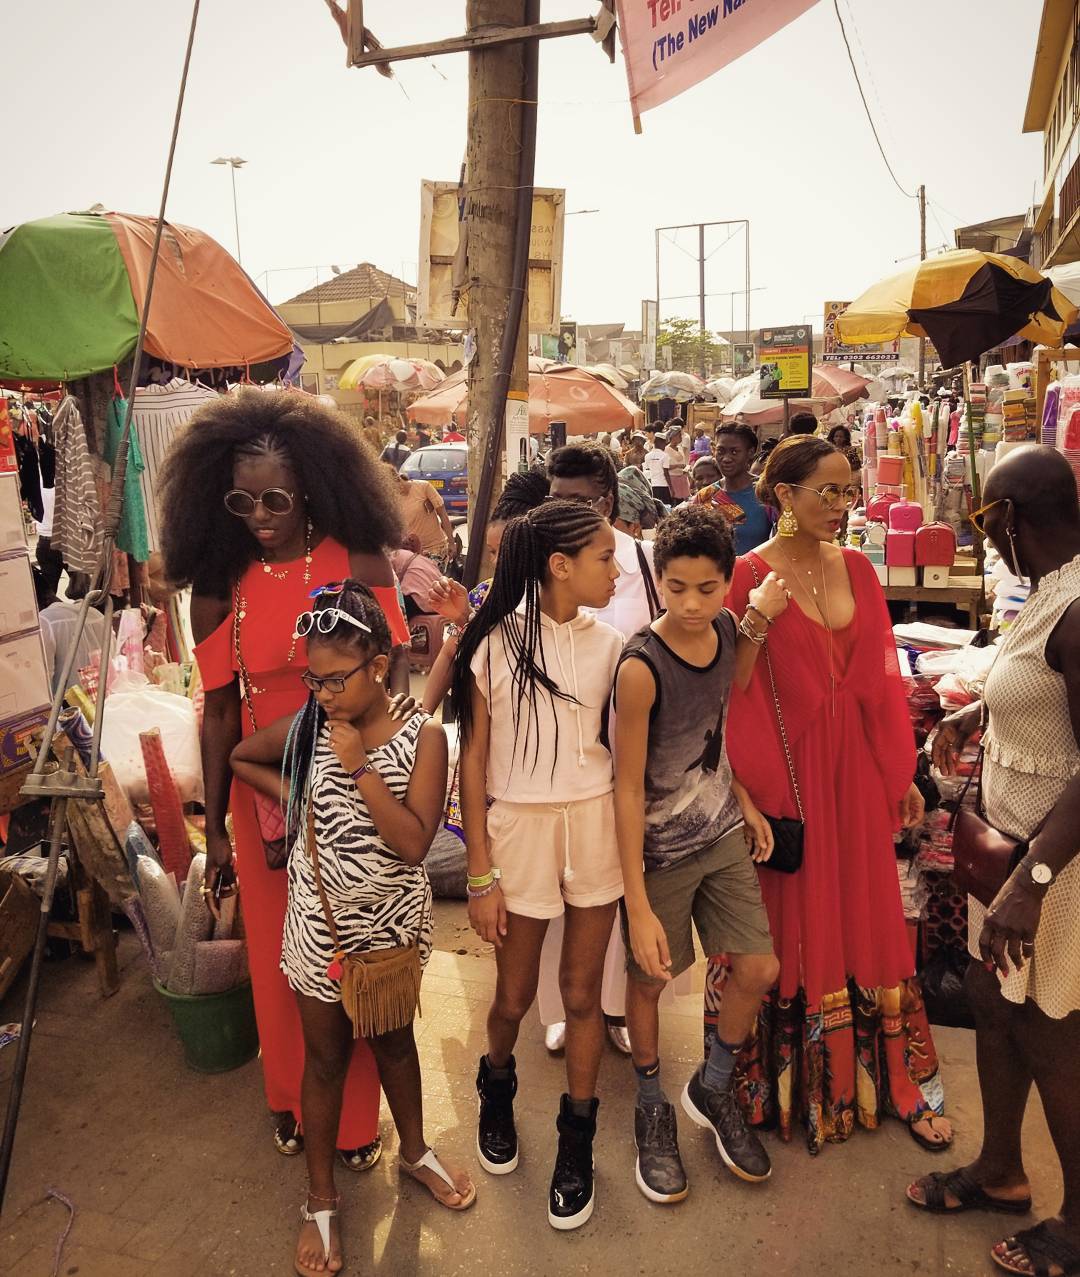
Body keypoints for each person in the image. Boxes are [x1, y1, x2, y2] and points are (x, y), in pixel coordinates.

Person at [159, 389, 411, 1170]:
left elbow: (394, 667)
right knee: (281, 959)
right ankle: (293, 1099)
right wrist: (217, 831)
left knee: (352, 951)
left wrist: (375, 762)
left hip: (351, 778)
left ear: (313, 488)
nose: (259, 514)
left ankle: (357, 1121)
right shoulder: (216, 584)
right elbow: (218, 712)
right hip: (267, 796)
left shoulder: (358, 559)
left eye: (276, 497)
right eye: (241, 498)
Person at [706, 435, 953, 1155]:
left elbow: (881, 682)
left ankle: (889, 1079)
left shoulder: (857, 568)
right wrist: (756, 614)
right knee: (789, 925)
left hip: (853, 773)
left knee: (864, 912)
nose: (844, 507)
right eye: (830, 492)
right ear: (784, 494)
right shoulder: (748, 573)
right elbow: (731, 689)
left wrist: (899, 770)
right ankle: (778, 1086)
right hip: (787, 779)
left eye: (850, 491)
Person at [230, 582, 474, 1276]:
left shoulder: (422, 737)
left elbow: (414, 843)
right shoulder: (309, 725)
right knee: (326, 1060)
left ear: (377, 663)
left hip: (392, 935)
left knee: (397, 1045)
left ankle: (417, 1149)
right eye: (314, 677)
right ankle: (321, 1197)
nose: (324, 692)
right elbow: (241, 757)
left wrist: (357, 767)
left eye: (336, 679)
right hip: (320, 936)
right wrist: (301, 791)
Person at [906, 446, 1080, 1277]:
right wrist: (977, 707)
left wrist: (1034, 883)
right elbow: (1038, 688)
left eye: (984, 517)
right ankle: (1001, 1169)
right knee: (990, 996)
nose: (985, 532)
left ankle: (1079, 1223)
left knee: (1054, 1032)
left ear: (1010, 518)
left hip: (1056, 866)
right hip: (1009, 851)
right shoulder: (1048, 590)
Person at [452, 500, 624, 1230]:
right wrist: (480, 874)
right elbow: (473, 761)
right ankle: (497, 1081)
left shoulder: (616, 645)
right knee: (515, 996)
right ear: (560, 565)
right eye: (605, 559)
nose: (617, 571)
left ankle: (576, 1139)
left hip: (595, 824)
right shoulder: (494, 644)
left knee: (582, 993)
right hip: (517, 828)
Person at [614, 506, 788, 1202]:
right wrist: (636, 903)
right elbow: (626, 790)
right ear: (659, 581)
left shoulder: (720, 628)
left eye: (708, 588)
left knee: (758, 966)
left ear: (726, 586)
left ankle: (712, 1086)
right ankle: (651, 1103)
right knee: (651, 980)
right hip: (658, 854)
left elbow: (723, 701)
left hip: (719, 834)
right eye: (677, 587)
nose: (691, 603)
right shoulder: (640, 667)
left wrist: (741, 798)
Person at [544, 443, 664, 1055]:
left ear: (608, 501)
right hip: (563, 759)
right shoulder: (540, 565)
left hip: (635, 755)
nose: (567, 512)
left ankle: (618, 1011)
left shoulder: (644, 563)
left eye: (581, 502)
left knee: (624, 883)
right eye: (556, 501)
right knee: (565, 892)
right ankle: (571, 1006)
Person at [421, 469, 551, 715]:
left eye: (506, 548)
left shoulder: (554, 597)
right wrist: (422, 721)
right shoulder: (484, 594)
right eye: (492, 551)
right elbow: (450, 654)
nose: (497, 560)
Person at [706, 424, 774, 555]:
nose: (726, 459)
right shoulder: (705, 496)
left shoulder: (767, 493)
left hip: (759, 573)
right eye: (720, 451)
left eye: (734, 452)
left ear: (750, 452)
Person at [396, 467, 456, 566]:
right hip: (412, 554)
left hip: (435, 549)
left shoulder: (423, 487)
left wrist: (451, 542)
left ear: (397, 480)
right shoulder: (392, 499)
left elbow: (443, 514)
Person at [664, 422, 691, 501]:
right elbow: (665, 467)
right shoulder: (666, 450)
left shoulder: (680, 448)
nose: (681, 438)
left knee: (683, 501)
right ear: (673, 437)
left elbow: (683, 461)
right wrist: (677, 466)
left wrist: (686, 468)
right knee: (674, 501)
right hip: (672, 479)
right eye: (679, 436)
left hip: (682, 478)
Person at [644, 432, 670, 503]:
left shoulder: (647, 456)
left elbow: (646, 471)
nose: (665, 446)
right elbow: (666, 473)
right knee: (665, 507)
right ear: (660, 443)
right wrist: (671, 488)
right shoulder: (665, 456)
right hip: (663, 486)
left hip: (652, 486)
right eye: (664, 444)